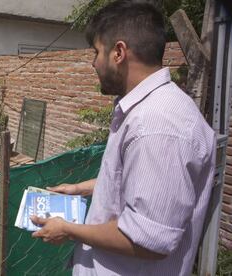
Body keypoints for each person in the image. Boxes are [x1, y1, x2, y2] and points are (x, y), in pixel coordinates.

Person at [30, 1, 216, 276]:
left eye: (96, 52)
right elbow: (138, 182)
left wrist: (68, 229)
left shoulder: (158, 125)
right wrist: (79, 188)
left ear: (118, 52)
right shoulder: (150, 110)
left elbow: (146, 240)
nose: (93, 62)